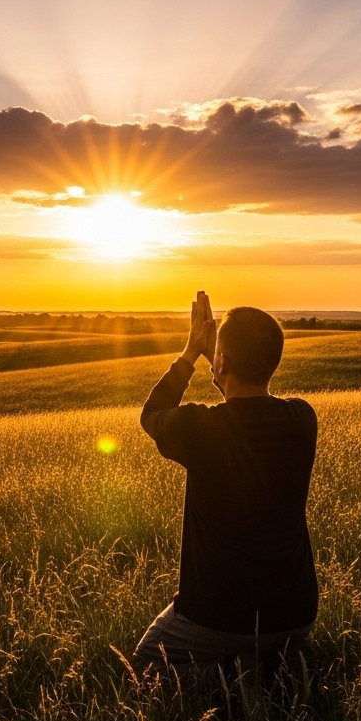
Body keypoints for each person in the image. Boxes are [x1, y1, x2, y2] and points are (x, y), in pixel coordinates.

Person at [131, 291, 318, 693]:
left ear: (220, 361)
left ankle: (242, 682)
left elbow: (151, 415)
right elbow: (246, 412)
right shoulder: (303, 419)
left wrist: (190, 353)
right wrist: (225, 369)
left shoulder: (200, 428)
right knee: (266, 644)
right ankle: (282, 665)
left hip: (220, 616)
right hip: (296, 612)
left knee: (145, 668)